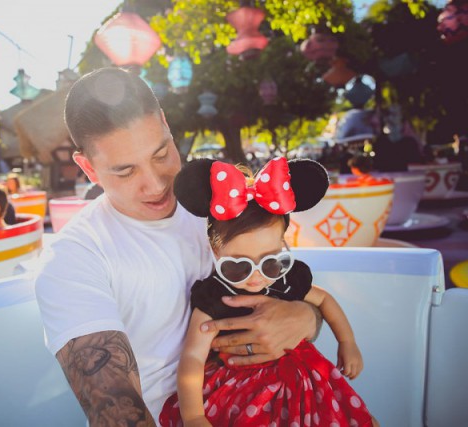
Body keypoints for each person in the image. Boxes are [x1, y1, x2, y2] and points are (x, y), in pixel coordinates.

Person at [34, 67, 322, 425]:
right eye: (125, 171)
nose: (156, 185)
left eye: (161, 154)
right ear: (88, 168)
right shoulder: (73, 258)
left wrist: (305, 318)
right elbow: (115, 413)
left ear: (166, 125)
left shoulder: (221, 207)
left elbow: (288, 287)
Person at [159, 158, 376, 427]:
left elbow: (324, 299)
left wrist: (347, 342)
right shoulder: (215, 296)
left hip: (306, 386)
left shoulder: (287, 279)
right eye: (238, 266)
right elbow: (193, 357)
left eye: (271, 261)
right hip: (243, 393)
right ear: (215, 251)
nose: (256, 276)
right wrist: (193, 415)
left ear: (283, 244)